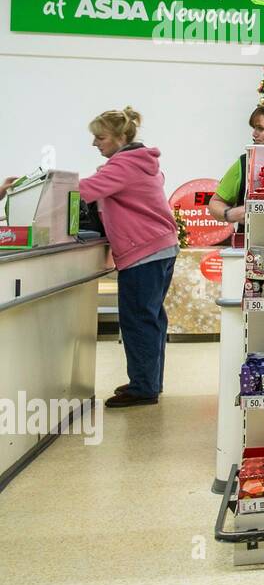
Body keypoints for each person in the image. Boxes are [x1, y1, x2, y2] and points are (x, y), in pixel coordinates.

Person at [79, 108, 179, 408]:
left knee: (137, 321)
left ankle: (143, 388)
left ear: (121, 137)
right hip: (159, 248)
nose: (95, 144)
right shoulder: (139, 162)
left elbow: (83, 191)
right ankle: (148, 381)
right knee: (151, 320)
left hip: (144, 252)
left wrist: (37, 185)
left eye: (101, 137)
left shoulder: (123, 165)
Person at [208, 101, 264, 228]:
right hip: (250, 244)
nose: (254, 134)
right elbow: (215, 203)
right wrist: (229, 214)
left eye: (261, 128)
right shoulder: (243, 163)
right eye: (254, 128)